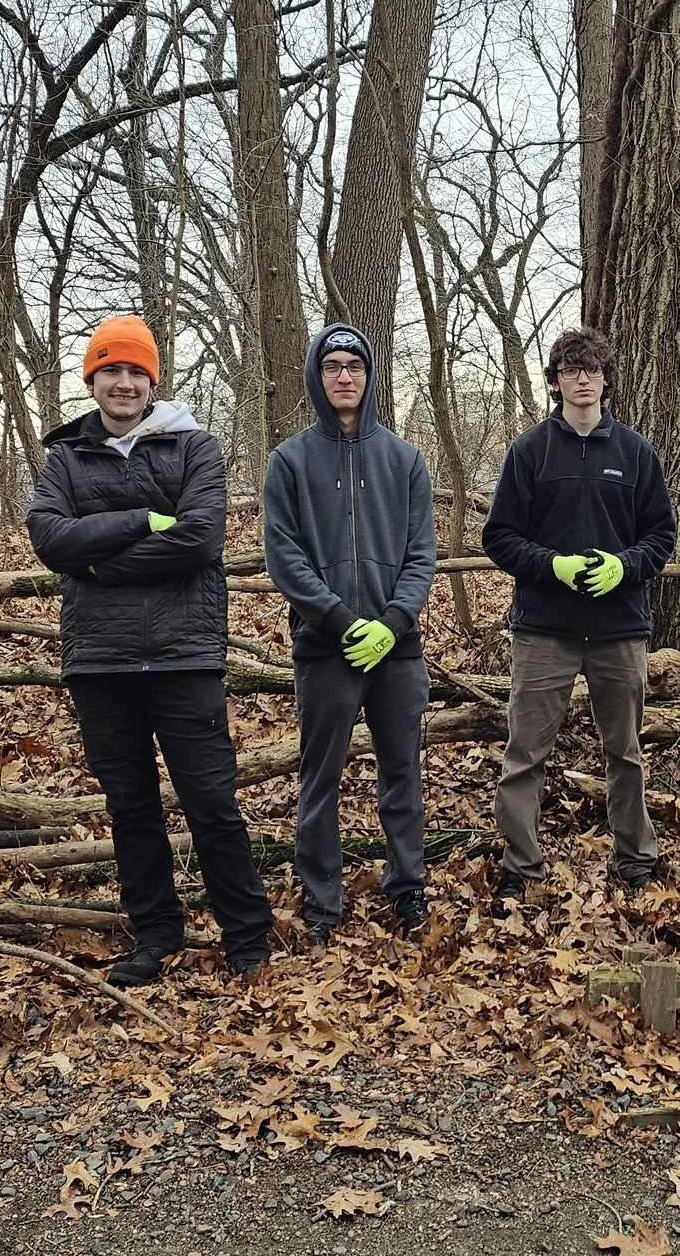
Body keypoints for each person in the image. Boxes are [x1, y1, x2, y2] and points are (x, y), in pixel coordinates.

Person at [26, 315, 273, 985]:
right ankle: (155, 936)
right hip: (100, 660)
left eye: (137, 371)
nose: (125, 382)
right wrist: (140, 520)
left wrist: (101, 563)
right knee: (131, 808)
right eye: (112, 370)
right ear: (93, 379)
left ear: (153, 380)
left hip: (182, 652)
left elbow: (200, 540)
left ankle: (248, 939)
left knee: (211, 802)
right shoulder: (66, 456)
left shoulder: (195, 447)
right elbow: (50, 538)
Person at [482, 327, 677, 897]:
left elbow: (661, 536)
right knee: (525, 753)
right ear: (556, 381)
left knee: (626, 751)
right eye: (570, 369)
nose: (582, 378)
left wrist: (626, 565)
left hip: (620, 628)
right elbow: (500, 537)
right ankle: (521, 868)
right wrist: (553, 566)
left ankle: (635, 860)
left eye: (591, 369)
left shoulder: (636, 452)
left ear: (606, 378)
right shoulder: (529, 451)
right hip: (544, 629)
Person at [262, 324, 438, 943]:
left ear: (370, 377)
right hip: (324, 649)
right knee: (320, 778)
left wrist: (393, 623)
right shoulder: (289, 461)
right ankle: (321, 903)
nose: (344, 376)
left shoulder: (404, 459)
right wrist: (338, 619)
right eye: (332, 365)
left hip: (397, 650)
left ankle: (408, 891)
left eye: (355, 367)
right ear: (317, 375)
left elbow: (422, 553)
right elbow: (284, 556)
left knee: (402, 774)